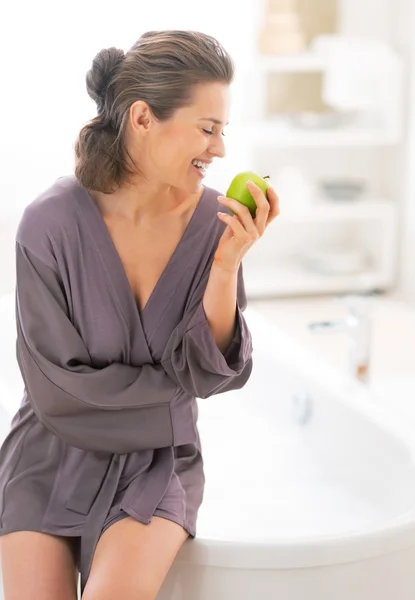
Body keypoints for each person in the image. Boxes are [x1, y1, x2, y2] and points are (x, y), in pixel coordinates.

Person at [0, 30, 279, 600]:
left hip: (158, 462)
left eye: (224, 130)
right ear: (144, 118)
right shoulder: (47, 225)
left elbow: (209, 376)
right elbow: (58, 393)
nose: (220, 149)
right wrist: (171, 394)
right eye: (207, 128)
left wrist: (225, 268)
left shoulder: (213, 226)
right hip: (48, 451)